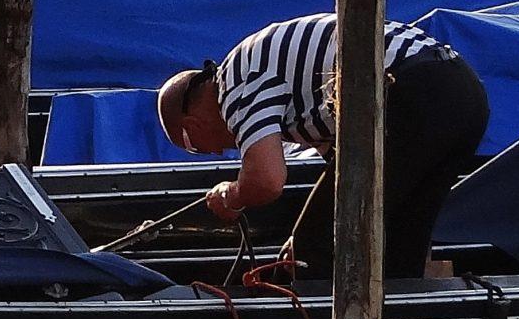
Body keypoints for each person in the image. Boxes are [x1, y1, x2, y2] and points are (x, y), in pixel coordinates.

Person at [157, 14, 488, 277]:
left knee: (316, 249)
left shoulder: (233, 86)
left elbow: (267, 180)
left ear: (192, 124)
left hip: (411, 91)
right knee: (399, 248)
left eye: (193, 147)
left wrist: (233, 194)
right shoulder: (274, 85)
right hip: (462, 92)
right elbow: (341, 169)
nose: (214, 153)